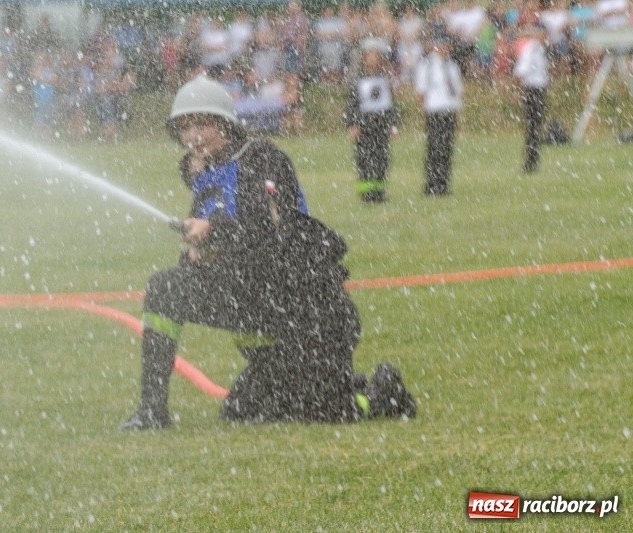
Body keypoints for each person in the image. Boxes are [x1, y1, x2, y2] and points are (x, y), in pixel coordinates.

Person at [120, 75, 416, 430]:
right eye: (185, 128)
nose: (193, 136)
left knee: (325, 413)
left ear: (225, 124)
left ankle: (383, 393)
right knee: (168, 292)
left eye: (202, 124)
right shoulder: (204, 177)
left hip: (312, 314)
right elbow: (227, 248)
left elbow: (266, 228)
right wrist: (198, 256)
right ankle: (152, 411)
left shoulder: (263, 159)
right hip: (263, 309)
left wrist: (213, 231)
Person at [344, 41, 397, 203]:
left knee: (382, 159)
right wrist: (352, 124)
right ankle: (366, 193)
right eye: (369, 56)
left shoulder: (384, 79)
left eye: (375, 56)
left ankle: (379, 192)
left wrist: (393, 123)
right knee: (364, 159)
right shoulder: (358, 80)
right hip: (364, 125)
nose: (372, 59)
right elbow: (351, 104)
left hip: (381, 124)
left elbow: (391, 104)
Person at [414, 28, 463, 196]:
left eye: (446, 45)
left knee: (446, 147)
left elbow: (457, 89)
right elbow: (421, 90)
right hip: (434, 110)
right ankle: (431, 183)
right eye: (440, 45)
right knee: (434, 147)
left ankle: (443, 183)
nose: (443, 49)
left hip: (449, 109)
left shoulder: (452, 65)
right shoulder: (426, 65)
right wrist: (424, 107)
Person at [513, 23, 550, 173]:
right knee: (533, 127)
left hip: (539, 90)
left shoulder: (540, 48)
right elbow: (520, 72)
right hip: (533, 90)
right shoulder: (531, 49)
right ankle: (530, 162)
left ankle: (532, 160)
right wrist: (519, 91)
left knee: (536, 127)